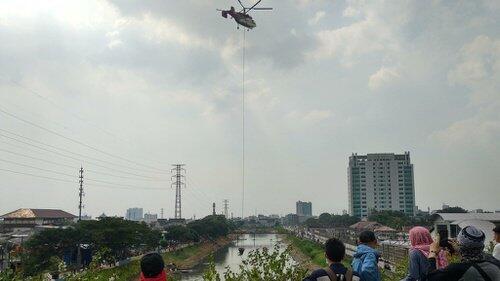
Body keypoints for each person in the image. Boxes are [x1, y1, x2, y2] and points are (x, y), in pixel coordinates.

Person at [426, 225, 500, 280]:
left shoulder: (456, 269)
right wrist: (460, 251)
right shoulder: (495, 262)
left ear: (461, 245)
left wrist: (432, 253)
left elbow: (431, 277)